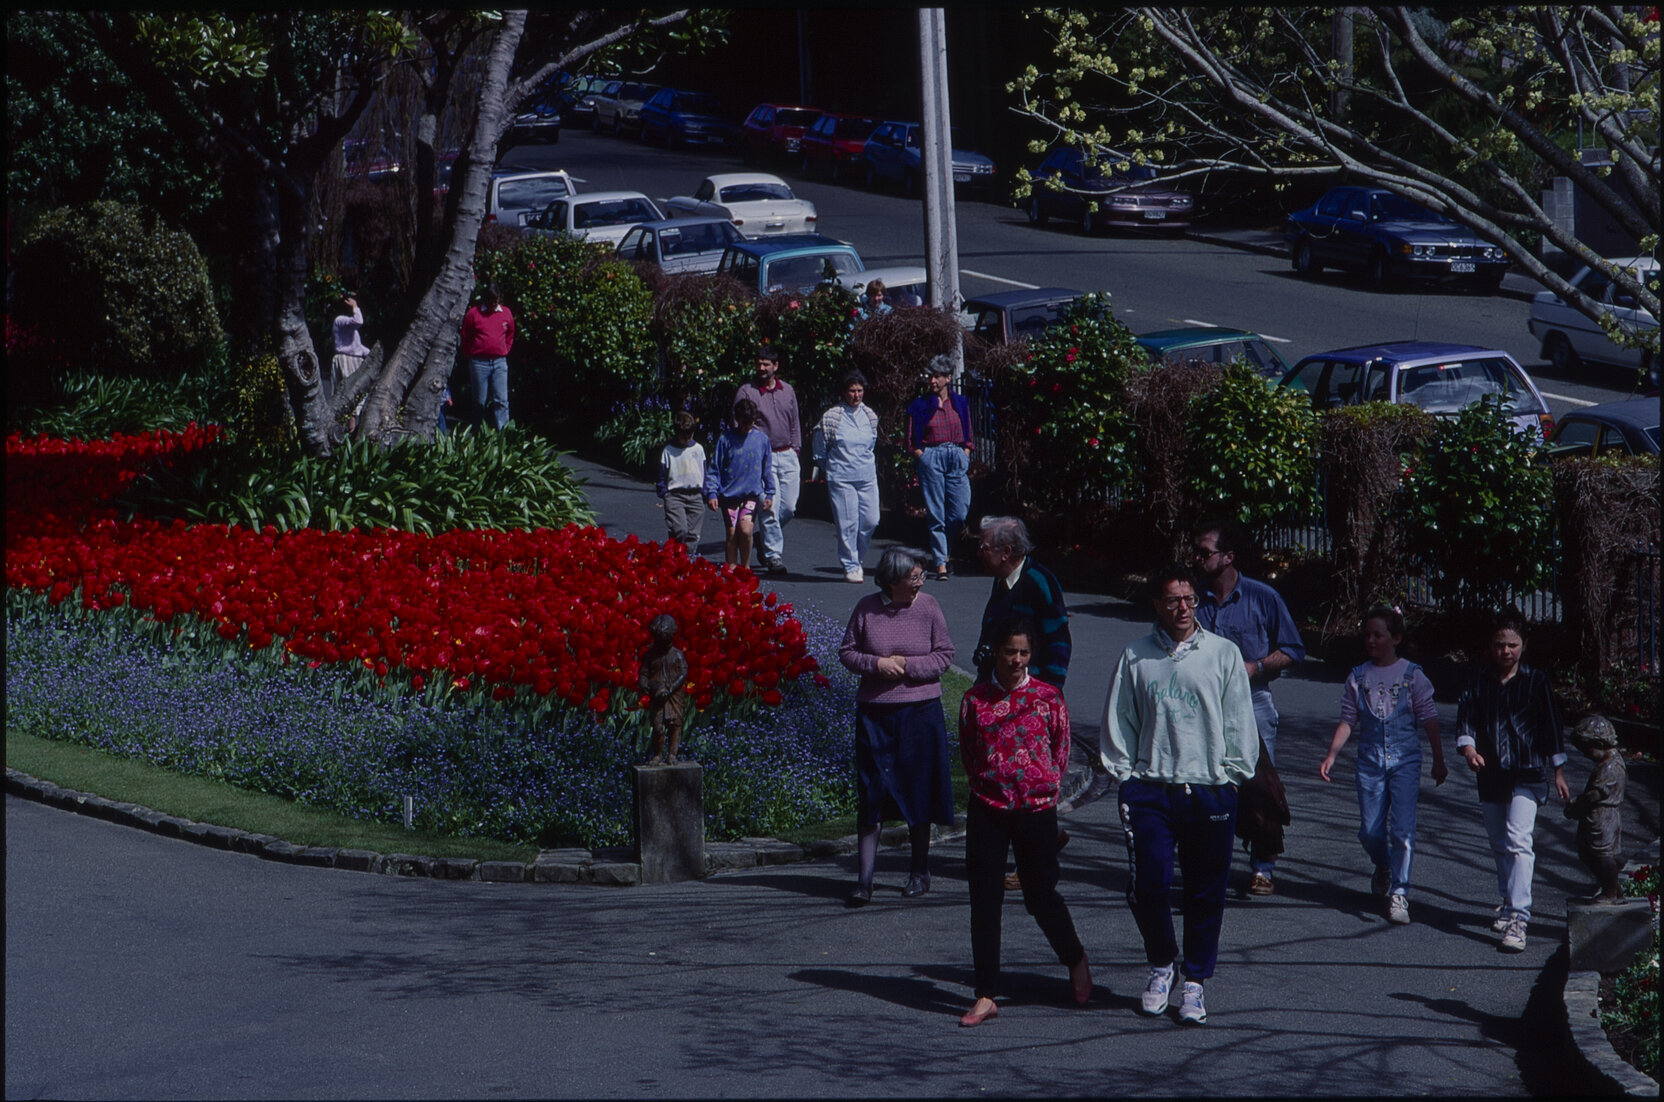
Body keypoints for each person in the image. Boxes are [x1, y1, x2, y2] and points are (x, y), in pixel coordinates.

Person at [1101, 563, 1258, 1026]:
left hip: (1210, 790)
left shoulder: (1223, 654)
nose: (1183, 607)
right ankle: (1161, 964)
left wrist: (1231, 778)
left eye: (1189, 598)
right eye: (1173, 600)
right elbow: (1120, 721)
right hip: (1151, 790)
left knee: (1205, 892)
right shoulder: (1136, 655)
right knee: (1148, 884)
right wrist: (1126, 776)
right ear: (1157, 605)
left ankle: (1194, 982)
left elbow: (1239, 722)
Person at [957, 616, 1091, 1028]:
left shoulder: (1048, 698)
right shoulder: (975, 700)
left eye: (1024, 653)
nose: (1016, 660)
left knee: (1040, 894)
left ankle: (1075, 958)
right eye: (1009, 651)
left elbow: (1061, 748)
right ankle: (985, 993)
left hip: (1035, 810)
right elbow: (968, 752)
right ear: (995, 652)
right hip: (988, 808)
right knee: (984, 900)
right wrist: (991, 784)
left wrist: (1044, 786)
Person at [838, 547, 956, 906]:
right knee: (872, 792)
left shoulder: (929, 607)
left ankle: (919, 872)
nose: (919, 584)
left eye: (921, 577)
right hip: (876, 715)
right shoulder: (867, 608)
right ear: (892, 582)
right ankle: (865, 880)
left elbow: (945, 655)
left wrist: (905, 666)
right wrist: (876, 664)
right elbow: (847, 652)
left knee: (919, 791)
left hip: (920, 713)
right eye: (913, 578)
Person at [1193, 518, 1304, 897]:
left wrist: (1255, 666)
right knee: (1210, 783)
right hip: (1205, 705)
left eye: (1205, 552)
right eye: (1196, 551)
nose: (1197, 557)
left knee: (1260, 786)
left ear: (1228, 556)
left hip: (1252, 700)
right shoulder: (1193, 600)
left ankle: (1263, 867)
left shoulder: (1262, 597)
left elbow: (1293, 650)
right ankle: (1213, 861)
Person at [1318, 606, 1447, 926]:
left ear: (1396, 638)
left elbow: (1429, 719)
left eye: (1378, 635)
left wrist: (1439, 759)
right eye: (1367, 635)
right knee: (1370, 830)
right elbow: (1348, 719)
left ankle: (1400, 891)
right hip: (1370, 762)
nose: (1371, 641)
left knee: (1403, 830)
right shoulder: (1358, 676)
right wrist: (1332, 754)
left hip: (1405, 761)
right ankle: (1384, 865)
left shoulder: (1412, 675)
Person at [1456, 609, 1570, 953]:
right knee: (1498, 841)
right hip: (1490, 773)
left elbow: (1551, 726)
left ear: (1523, 646)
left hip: (1529, 772)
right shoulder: (1479, 680)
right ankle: (1507, 902)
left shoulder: (1536, 681)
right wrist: (1469, 751)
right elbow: (1467, 719)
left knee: (1519, 839)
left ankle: (1520, 917)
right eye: (1499, 645)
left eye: (1512, 645)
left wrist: (1558, 771)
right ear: (1490, 647)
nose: (1506, 651)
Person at [971, 515, 1074, 892]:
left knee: (1029, 774)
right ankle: (1042, 841)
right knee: (1003, 769)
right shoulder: (1003, 581)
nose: (979, 552)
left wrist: (1048, 694)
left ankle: (1032, 857)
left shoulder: (1039, 582)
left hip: (1030, 697)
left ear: (1007, 551)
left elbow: (1059, 639)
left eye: (984, 546)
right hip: (999, 689)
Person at [733, 346, 800, 575]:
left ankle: (762, 537)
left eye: (766, 364)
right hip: (763, 457)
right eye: (758, 363)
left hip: (788, 454)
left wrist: (796, 448)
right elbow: (738, 424)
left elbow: (795, 421)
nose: (761, 368)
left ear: (776, 366)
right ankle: (774, 557)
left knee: (789, 507)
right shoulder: (747, 391)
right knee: (768, 508)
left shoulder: (787, 390)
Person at [906, 355, 974, 581]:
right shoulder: (920, 405)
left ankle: (946, 552)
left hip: (956, 455)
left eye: (937, 376)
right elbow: (910, 440)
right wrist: (923, 457)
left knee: (959, 513)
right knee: (936, 513)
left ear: (947, 378)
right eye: (930, 376)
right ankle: (940, 562)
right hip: (932, 456)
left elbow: (969, 434)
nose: (932, 381)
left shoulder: (960, 403)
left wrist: (965, 453)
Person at [812, 371, 880, 583]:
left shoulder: (870, 415)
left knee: (871, 520)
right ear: (844, 392)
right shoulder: (832, 417)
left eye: (860, 390)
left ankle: (857, 557)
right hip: (841, 477)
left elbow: (872, 445)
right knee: (848, 522)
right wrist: (831, 469)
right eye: (852, 391)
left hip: (867, 476)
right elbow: (820, 449)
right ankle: (850, 564)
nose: (856, 395)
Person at [703, 399, 776, 570]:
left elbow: (767, 469)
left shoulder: (761, 440)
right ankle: (731, 568)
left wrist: (770, 493)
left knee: (745, 529)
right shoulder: (725, 439)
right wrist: (712, 493)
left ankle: (745, 567)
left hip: (751, 494)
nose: (746, 427)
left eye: (749, 423)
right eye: (743, 422)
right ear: (737, 419)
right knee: (731, 533)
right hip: (729, 495)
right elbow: (715, 468)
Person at [461, 284, 515, 430]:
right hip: (479, 363)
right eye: (490, 301)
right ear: (485, 299)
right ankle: (478, 434)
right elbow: (465, 336)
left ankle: (503, 434)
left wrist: (505, 349)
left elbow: (510, 334)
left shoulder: (506, 313)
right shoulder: (474, 314)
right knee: (479, 402)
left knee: (501, 400)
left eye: (495, 301)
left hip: (499, 362)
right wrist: (470, 355)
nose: (493, 304)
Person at [657, 411, 707, 555]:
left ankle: (688, 560)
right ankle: (675, 554)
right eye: (683, 436)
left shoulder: (698, 449)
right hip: (675, 496)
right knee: (679, 529)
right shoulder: (669, 450)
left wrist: (705, 492)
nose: (686, 439)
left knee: (693, 534)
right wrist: (664, 492)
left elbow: (704, 471)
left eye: (689, 436)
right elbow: (662, 473)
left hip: (695, 495)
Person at [331, 293, 370, 429]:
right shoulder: (340, 321)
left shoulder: (348, 327)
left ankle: (349, 429)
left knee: (354, 399)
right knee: (349, 397)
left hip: (353, 360)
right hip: (345, 361)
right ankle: (347, 430)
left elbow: (357, 347)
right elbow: (359, 321)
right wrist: (355, 307)